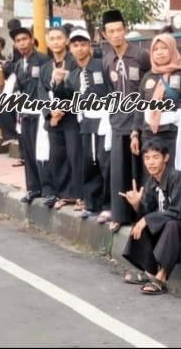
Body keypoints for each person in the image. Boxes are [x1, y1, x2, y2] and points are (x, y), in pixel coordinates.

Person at [120, 140, 181, 295]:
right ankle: (150, 272)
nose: (151, 162)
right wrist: (136, 205)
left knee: (171, 224)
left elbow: (180, 213)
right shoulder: (151, 182)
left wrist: (147, 219)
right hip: (178, 230)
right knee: (144, 223)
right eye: (147, 158)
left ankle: (161, 278)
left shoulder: (177, 178)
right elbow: (148, 214)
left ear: (165, 158)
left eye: (155, 157)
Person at [102, 9, 151, 232]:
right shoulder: (107, 60)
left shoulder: (140, 55)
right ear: (105, 34)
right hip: (118, 121)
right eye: (111, 31)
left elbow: (149, 84)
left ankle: (141, 215)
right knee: (118, 171)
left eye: (119, 30)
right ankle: (119, 215)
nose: (116, 35)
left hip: (139, 120)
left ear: (125, 30)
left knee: (139, 169)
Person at [61, 27, 111, 218]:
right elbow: (68, 97)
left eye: (83, 44)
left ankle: (108, 205)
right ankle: (91, 203)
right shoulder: (72, 75)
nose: (80, 49)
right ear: (70, 48)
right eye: (75, 45)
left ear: (90, 46)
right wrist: (58, 84)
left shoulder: (101, 65)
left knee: (105, 163)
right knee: (89, 163)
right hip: (86, 122)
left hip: (105, 121)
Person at [40, 26, 82, 209]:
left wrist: (62, 108)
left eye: (59, 38)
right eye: (52, 38)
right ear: (47, 42)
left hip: (72, 116)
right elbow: (41, 93)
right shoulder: (45, 68)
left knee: (75, 155)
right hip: (54, 119)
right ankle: (64, 194)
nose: (56, 42)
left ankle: (79, 195)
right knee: (58, 156)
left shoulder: (74, 63)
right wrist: (50, 114)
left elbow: (77, 90)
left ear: (66, 41)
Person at [132, 33, 181, 168]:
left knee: (172, 173)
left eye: (164, 48)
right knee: (150, 173)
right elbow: (140, 106)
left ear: (172, 49)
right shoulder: (148, 76)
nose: (160, 53)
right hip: (148, 134)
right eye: (155, 50)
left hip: (172, 134)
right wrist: (134, 133)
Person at [11, 25, 50, 203]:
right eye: (18, 41)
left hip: (40, 114)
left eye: (24, 39)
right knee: (27, 152)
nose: (21, 44)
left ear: (31, 39)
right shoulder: (18, 64)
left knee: (41, 152)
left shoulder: (42, 60)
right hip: (25, 115)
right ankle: (33, 188)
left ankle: (47, 188)